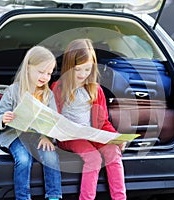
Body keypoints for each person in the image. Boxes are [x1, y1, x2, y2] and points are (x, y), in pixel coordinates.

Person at [51, 38, 126, 200]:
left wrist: (115, 137)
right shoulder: (58, 88)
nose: (83, 74)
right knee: (93, 158)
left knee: (113, 152)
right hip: (69, 137)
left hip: (93, 134)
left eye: (87, 70)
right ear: (68, 67)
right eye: (78, 70)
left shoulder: (95, 89)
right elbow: (52, 118)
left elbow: (103, 121)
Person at [0, 46, 62, 200]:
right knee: (24, 160)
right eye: (41, 71)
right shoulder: (13, 90)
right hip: (15, 135)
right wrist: (4, 118)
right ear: (28, 68)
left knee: (51, 157)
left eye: (49, 73)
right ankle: (23, 197)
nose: (45, 76)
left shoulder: (48, 94)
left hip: (37, 136)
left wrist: (47, 137)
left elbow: (53, 120)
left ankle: (54, 196)